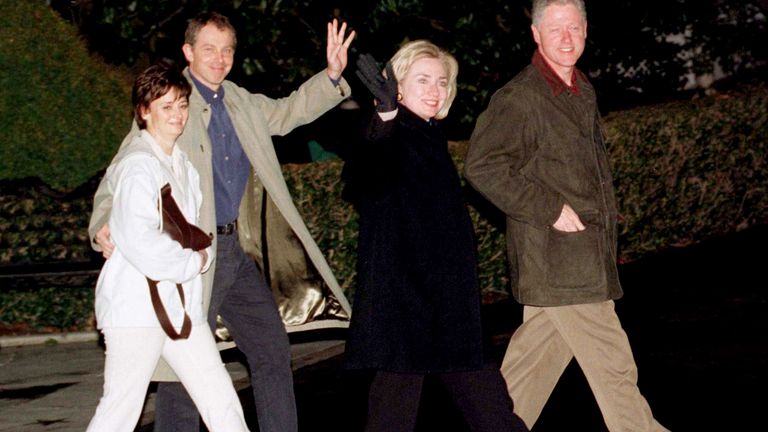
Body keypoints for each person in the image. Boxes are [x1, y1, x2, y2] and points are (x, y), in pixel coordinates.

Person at [88, 11, 355, 432]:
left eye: (227, 49)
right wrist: (104, 222)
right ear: (188, 51)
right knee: (181, 371)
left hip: (235, 251)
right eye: (209, 49)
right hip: (192, 258)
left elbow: (289, 112)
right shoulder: (170, 103)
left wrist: (331, 77)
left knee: (270, 349)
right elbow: (123, 169)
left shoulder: (240, 101)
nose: (219, 58)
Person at [464, 1, 670, 431]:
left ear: (586, 30)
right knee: (614, 366)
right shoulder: (520, 98)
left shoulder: (580, 87)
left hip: (583, 255)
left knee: (529, 369)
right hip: (560, 260)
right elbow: (483, 166)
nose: (566, 37)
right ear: (536, 34)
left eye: (573, 28)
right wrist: (548, 207)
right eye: (555, 29)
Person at [342, 41, 528, 432]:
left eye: (441, 82)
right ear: (398, 86)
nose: (434, 90)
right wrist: (386, 113)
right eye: (422, 80)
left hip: (445, 308)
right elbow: (365, 175)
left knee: (490, 411)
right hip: (409, 308)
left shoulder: (429, 135)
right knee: (402, 414)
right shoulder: (391, 132)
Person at [86, 63, 249, 432]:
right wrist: (197, 260)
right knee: (120, 411)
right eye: (166, 107)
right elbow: (142, 240)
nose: (177, 115)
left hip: (178, 309)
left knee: (219, 395)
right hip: (136, 311)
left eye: (181, 105)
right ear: (144, 112)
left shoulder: (181, 165)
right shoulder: (137, 166)